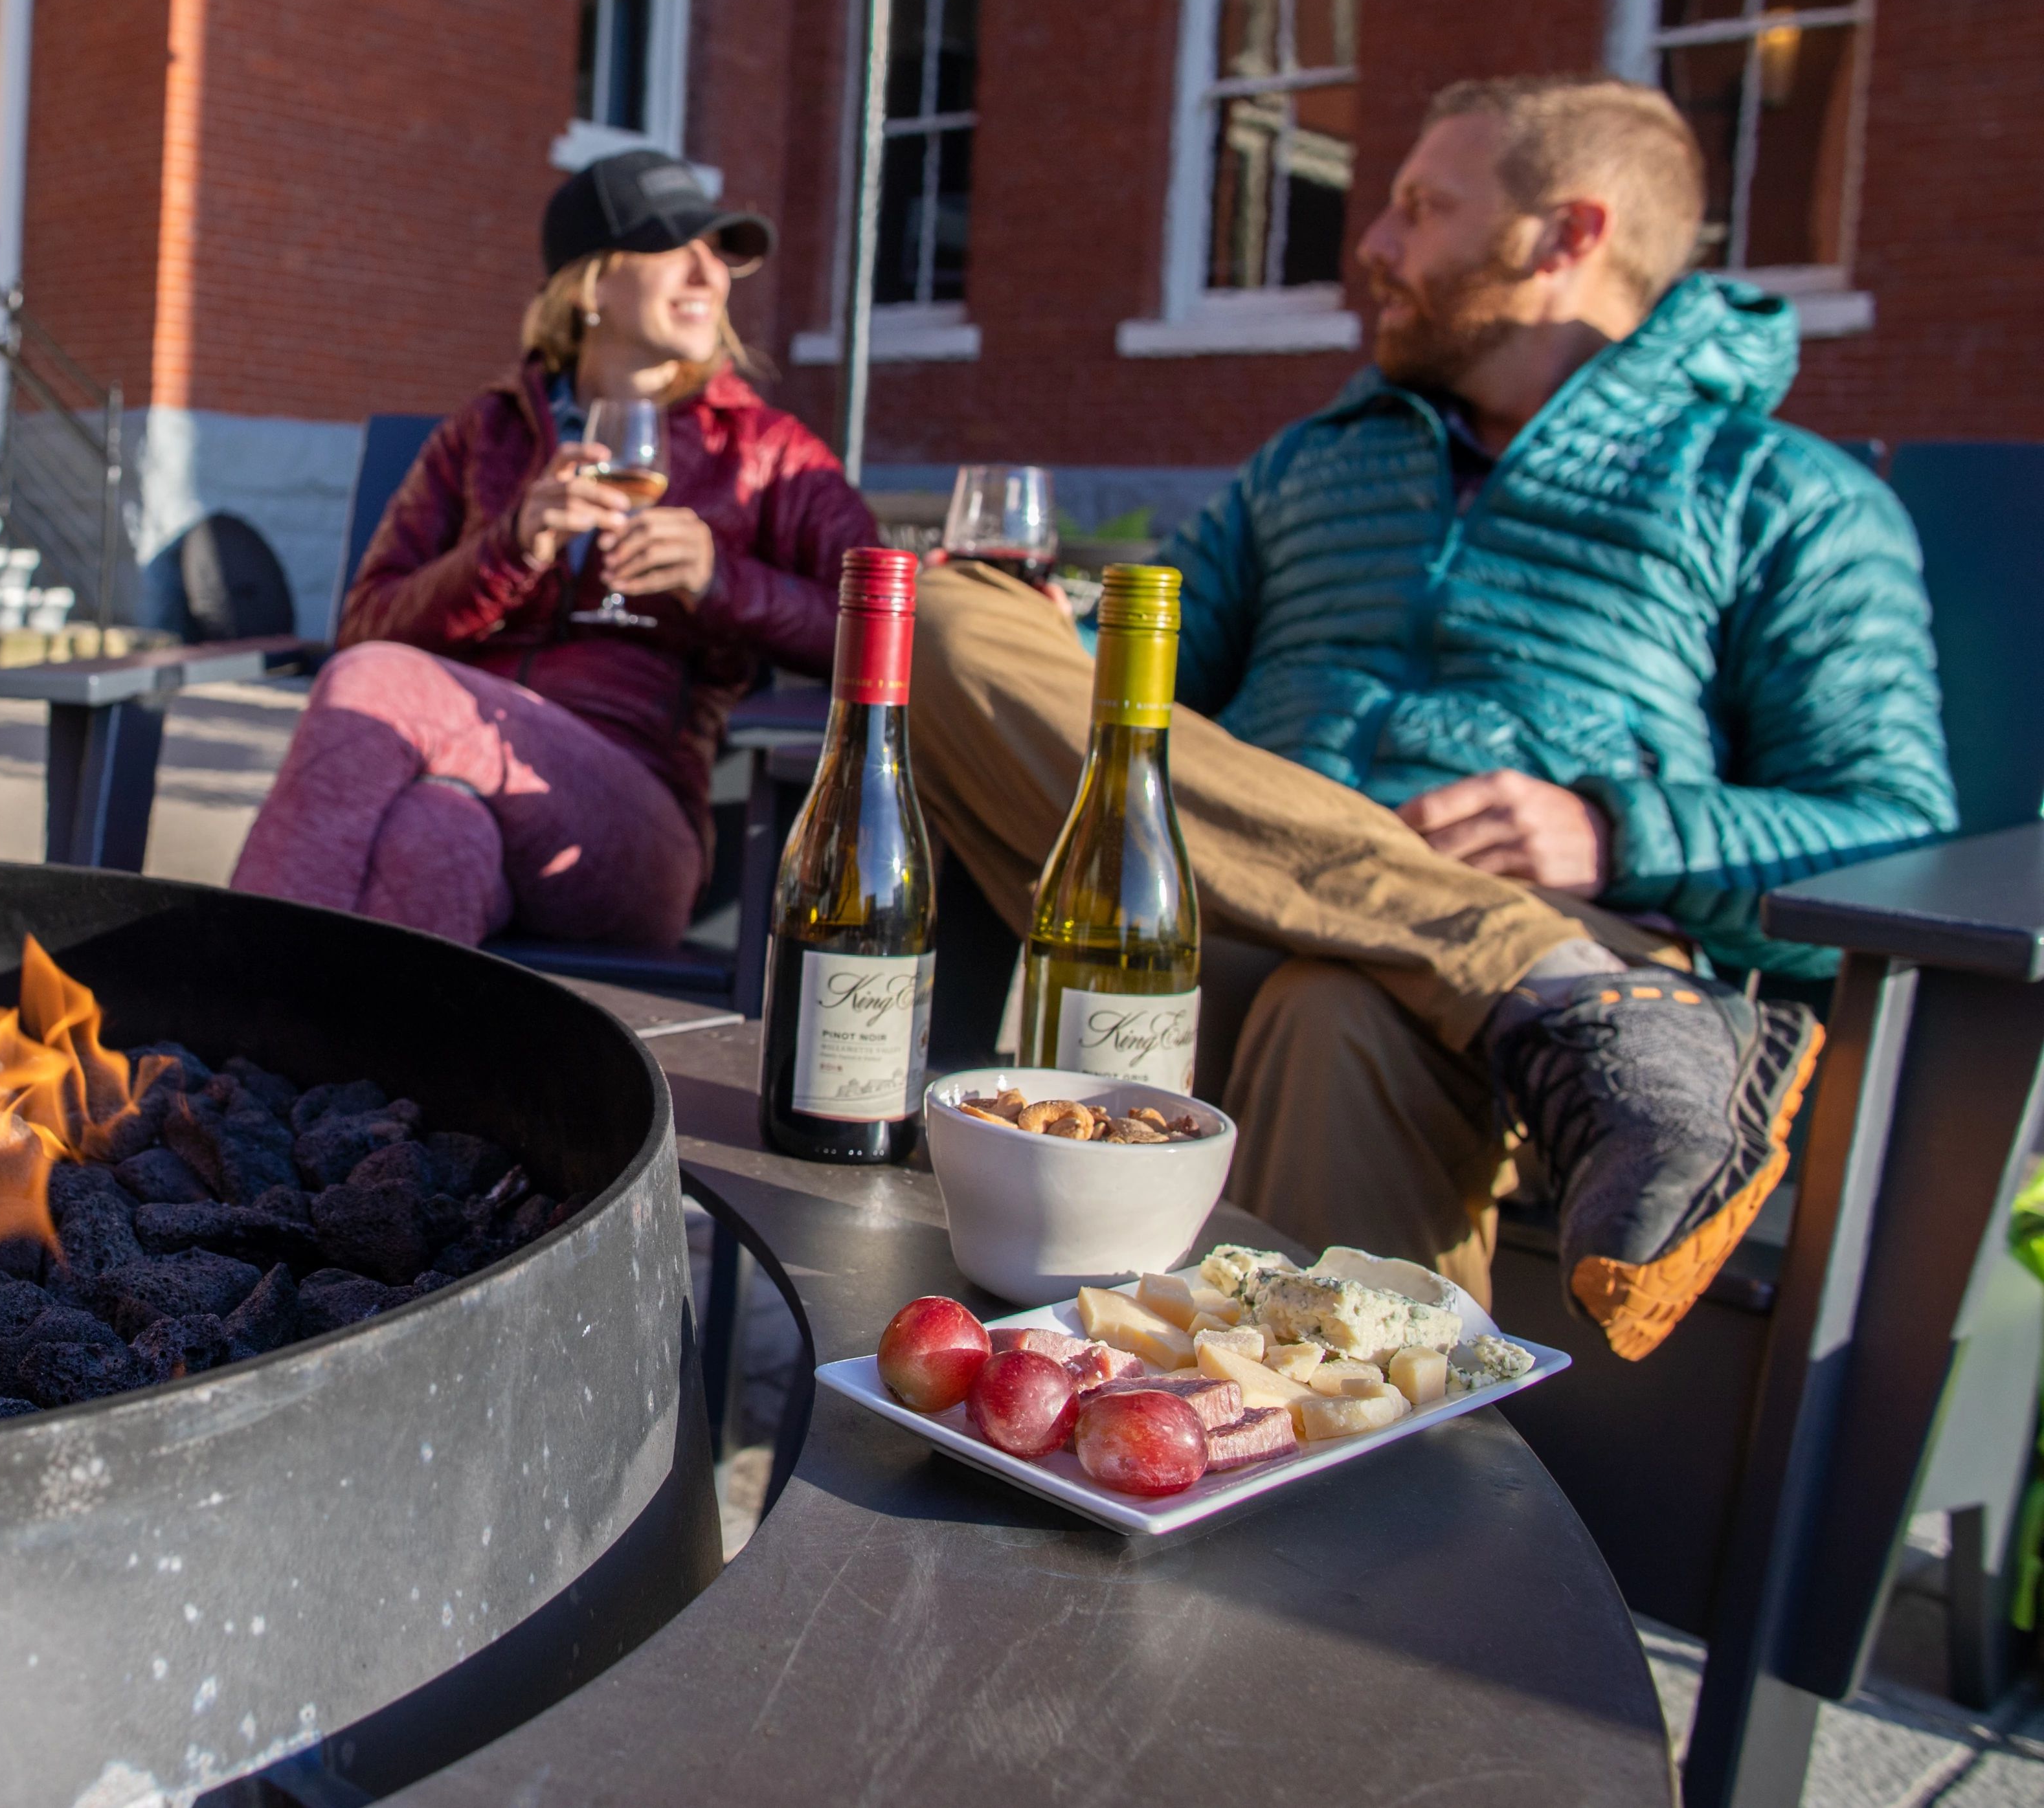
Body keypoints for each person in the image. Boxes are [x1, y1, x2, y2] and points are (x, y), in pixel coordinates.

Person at [908, 76, 1954, 1359]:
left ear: (1563, 235)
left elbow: (1899, 829)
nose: (1374, 246)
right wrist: (1032, 646)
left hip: (1488, 1008)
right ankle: (1538, 974)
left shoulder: (1778, 495)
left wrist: (1614, 830)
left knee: (1339, 1003)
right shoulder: (1313, 460)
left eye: (1420, 207)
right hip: (1227, 917)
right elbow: (1116, 680)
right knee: (938, 616)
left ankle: (1311, 1512)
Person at [231, 151, 881, 950]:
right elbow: (367, 622)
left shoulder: (765, 450)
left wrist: (722, 580)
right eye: (675, 246)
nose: (707, 274)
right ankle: (331, 1077)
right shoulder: (485, 433)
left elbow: (882, 624)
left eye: (717, 252)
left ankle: (214, 1003)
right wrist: (511, 547)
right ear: (591, 283)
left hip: (632, 826)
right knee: (435, 836)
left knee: (371, 685)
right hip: (470, 788)